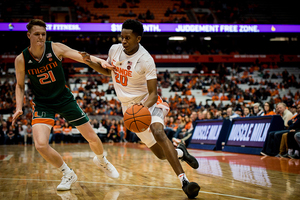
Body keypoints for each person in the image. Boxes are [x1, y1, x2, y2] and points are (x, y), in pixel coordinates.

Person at [80, 19, 200, 198]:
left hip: (148, 103)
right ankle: (181, 152)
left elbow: (153, 93)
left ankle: (184, 182)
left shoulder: (146, 60)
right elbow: (109, 71)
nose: (124, 41)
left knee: (159, 133)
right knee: (160, 154)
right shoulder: (114, 50)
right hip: (129, 110)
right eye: (122, 37)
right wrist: (89, 62)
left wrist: (141, 108)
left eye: (128, 38)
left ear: (138, 39)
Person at [12, 19, 119, 191]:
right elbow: (19, 84)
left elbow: (81, 55)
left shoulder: (55, 48)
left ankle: (102, 160)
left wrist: (101, 61)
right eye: (37, 34)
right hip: (43, 103)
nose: (40, 37)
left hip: (64, 98)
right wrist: (18, 107)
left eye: (43, 34)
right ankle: (67, 173)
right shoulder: (21, 59)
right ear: (28, 35)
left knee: (91, 137)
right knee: (40, 145)